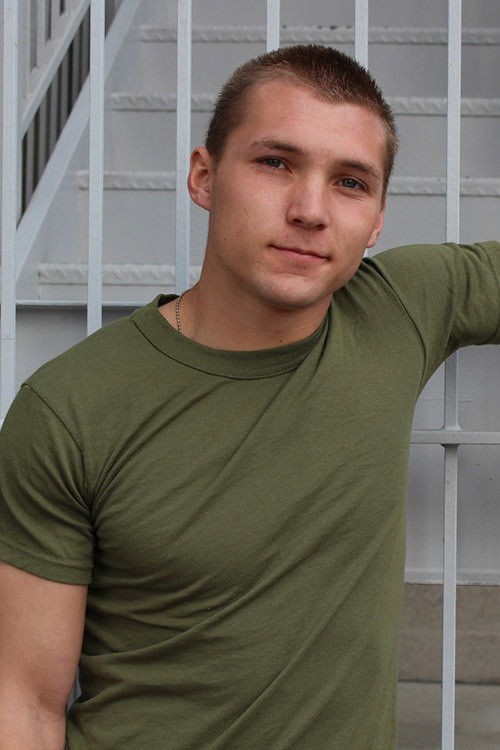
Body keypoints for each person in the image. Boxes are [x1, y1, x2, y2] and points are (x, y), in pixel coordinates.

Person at [0, 44, 498, 749]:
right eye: (275, 163)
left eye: (350, 182)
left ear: (378, 218)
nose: (310, 210)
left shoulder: (398, 311)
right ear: (204, 177)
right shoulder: (68, 409)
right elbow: (23, 702)